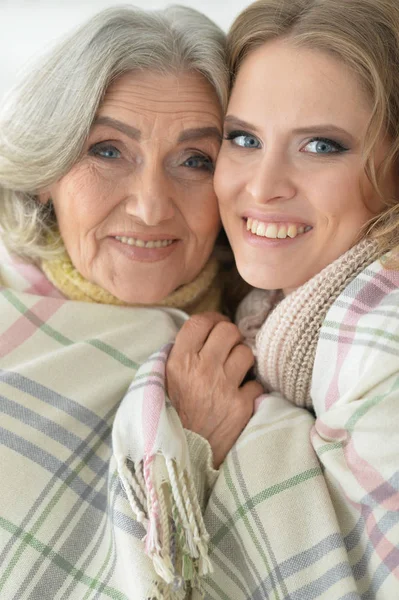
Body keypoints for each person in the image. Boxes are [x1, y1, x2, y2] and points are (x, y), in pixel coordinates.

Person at [0, 6, 261, 600]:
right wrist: (183, 447)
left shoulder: (263, 340)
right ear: (47, 168)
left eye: (195, 160)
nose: (150, 207)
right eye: (108, 151)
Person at [158, 0, 399, 597]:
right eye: (242, 138)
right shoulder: (260, 312)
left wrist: (198, 449)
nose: (261, 188)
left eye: (321, 147)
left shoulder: (380, 332)